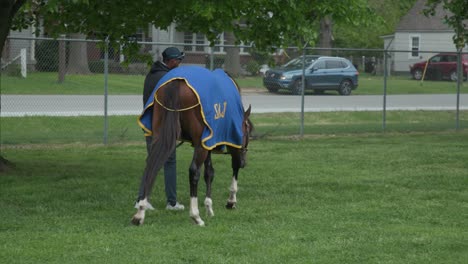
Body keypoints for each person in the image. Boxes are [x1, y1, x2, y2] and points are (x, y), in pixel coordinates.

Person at [137, 47, 185, 211]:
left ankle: (141, 199)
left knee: (152, 162)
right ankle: (171, 202)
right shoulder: (166, 78)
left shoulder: (153, 74)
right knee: (168, 162)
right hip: (163, 127)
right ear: (172, 61)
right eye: (178, 60)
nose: (179, 64)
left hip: (151, 126)